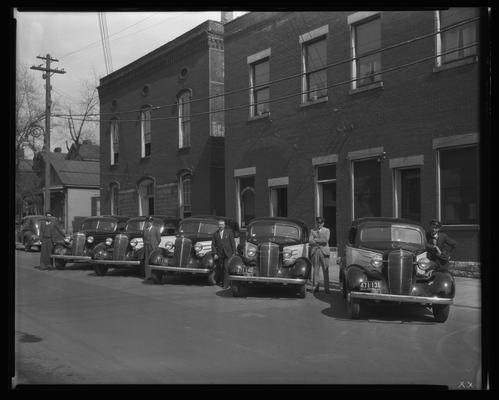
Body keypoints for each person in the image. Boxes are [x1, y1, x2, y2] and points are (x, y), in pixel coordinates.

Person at [211, 219, 236, 289]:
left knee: (225, 268)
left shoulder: (229, 232)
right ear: (218, 225)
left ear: (224, 225)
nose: (220, 226)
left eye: (222, 225)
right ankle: (222, 281)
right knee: (221, 268)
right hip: (219, 254)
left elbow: (232, 243)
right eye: (219, 225)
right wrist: (215, 253)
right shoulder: (215, 234)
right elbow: (213, 245)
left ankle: (226, 285)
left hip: (228, 253)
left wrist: (234, 252)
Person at [309, 217, 331, 294]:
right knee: (316, 270)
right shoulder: (312, 231)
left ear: (323, 223)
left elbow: (325, 240)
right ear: (316, 223)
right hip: (315, 251)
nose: (319, 224)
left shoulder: (327, 230)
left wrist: (316, 240)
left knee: (325, 270)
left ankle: (327, 289)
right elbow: (310, 241)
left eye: (320, 223)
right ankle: (316, 287)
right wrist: (318, 241)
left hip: (324, 252)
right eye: (318, 223)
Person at [143, 216, 162, 282]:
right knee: (147, 261)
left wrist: (155, 245)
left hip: (153, 247)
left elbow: (159, 239)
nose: (148, 223)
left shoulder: (156, 229)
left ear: (152, 222)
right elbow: (144, 238)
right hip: (147, 247)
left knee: (153, 261)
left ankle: (153, 275)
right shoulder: (145, 230)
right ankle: (148, 276)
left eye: (150, 221)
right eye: (147, 222)